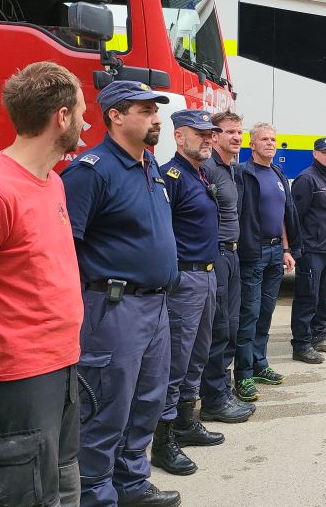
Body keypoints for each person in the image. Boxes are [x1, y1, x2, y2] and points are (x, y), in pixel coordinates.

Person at [0, 62, 85, 507]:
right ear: (62, 117)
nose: (87, 121)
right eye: (82, 111)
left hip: (61, 365)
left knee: (62, 481)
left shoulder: (54, 183)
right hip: (16, 379)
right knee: (24, 492)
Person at [60, 80, 180, 507]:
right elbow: (65, 249)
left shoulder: (150, 166)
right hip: (112, 308)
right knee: (106, 408)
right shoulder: (91, 171)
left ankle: (131, 483)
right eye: (146, 110)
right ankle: (95, 494)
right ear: (115, 115)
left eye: (156, 111)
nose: (156, 118)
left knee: (148, 400)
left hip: (155, 306)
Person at [151, 111, 238, 477]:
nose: (207, 139)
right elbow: (161, 232)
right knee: (177, 362)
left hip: (206, 277)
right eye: (200, 134)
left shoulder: (199, 174)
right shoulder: (171, 176)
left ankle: (186, 422)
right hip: (184, 281)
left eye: (210, 134)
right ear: (179, 135)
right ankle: (163, 439)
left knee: (197, 356)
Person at [233, 122, 300, 401]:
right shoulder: (243, 173)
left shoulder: (277, 173)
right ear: (253, 144)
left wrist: (286, 249)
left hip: (275, 252)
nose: (270, 143)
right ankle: (244, 374)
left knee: (266, 312)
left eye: (273, 139)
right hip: (253, 252)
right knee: (249, 313)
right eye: (264, 139)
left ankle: (260, 364)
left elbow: (284, 214)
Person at [198, 112, 256, 421]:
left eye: (239, 132)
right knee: (219, 329)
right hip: (217, 255)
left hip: (232, 256)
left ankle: (222, 389)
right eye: (229, 132)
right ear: (215, 136)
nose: (236, 137)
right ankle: (213, 400)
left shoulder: (230, 169)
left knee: (231, 327)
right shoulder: (208, 169)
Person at [290, 137, 326, 363]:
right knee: (307, 298)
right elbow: (295, 218)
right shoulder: (306, 179)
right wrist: (295, 248)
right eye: (325, 152)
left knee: (324, 297)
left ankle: (319, 336)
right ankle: (301, 344)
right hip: (312, 251)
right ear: (315, 153)